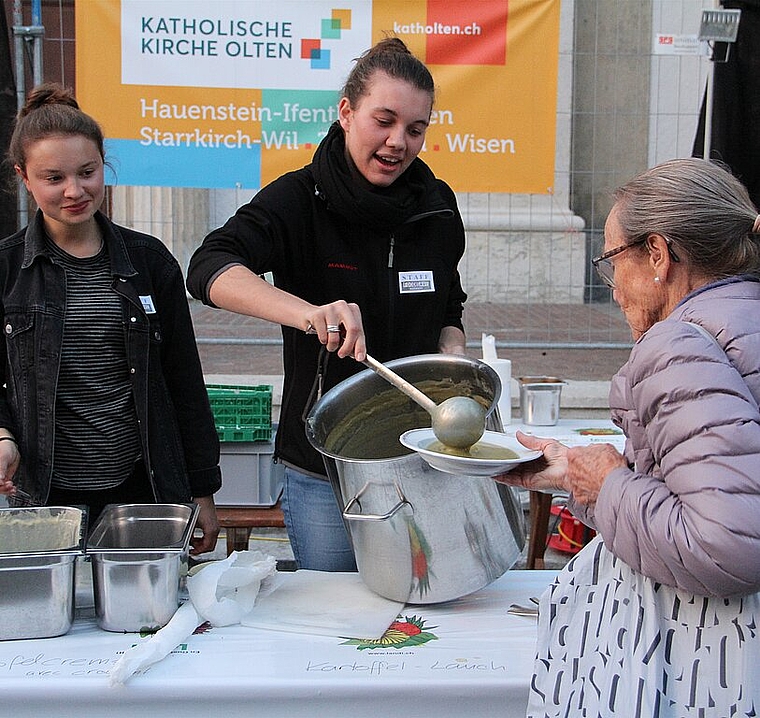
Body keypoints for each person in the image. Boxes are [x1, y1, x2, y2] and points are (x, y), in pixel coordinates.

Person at [187, 38, 468, 571]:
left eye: (415, 129)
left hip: (421, 459)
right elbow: (207, 268)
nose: (397, 143)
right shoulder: (299, 199)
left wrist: (452, 350)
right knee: (335, 620)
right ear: (346, 112)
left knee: (420, 615)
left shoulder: (436, 206)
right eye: (382, 121)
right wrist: (306, 313)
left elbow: (447, 300)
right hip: (323, 469)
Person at [498, 157, 760, 716]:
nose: (612, 285)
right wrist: (577, 475)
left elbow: (727, 544)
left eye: (612, 259)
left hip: (708, 655)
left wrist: (610, 483)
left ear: (659, 256)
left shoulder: (677, 345)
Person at [0, 83, 221, 554]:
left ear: (105, 164)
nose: (75, 191)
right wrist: (2, 435)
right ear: (25, 177)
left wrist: (202, 488)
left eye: (87, 172)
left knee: (143, 623)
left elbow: (183, 380)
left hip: (141, 489)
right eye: (53, 178)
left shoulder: (150, 261)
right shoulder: (6, 269)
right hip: (39, 495)